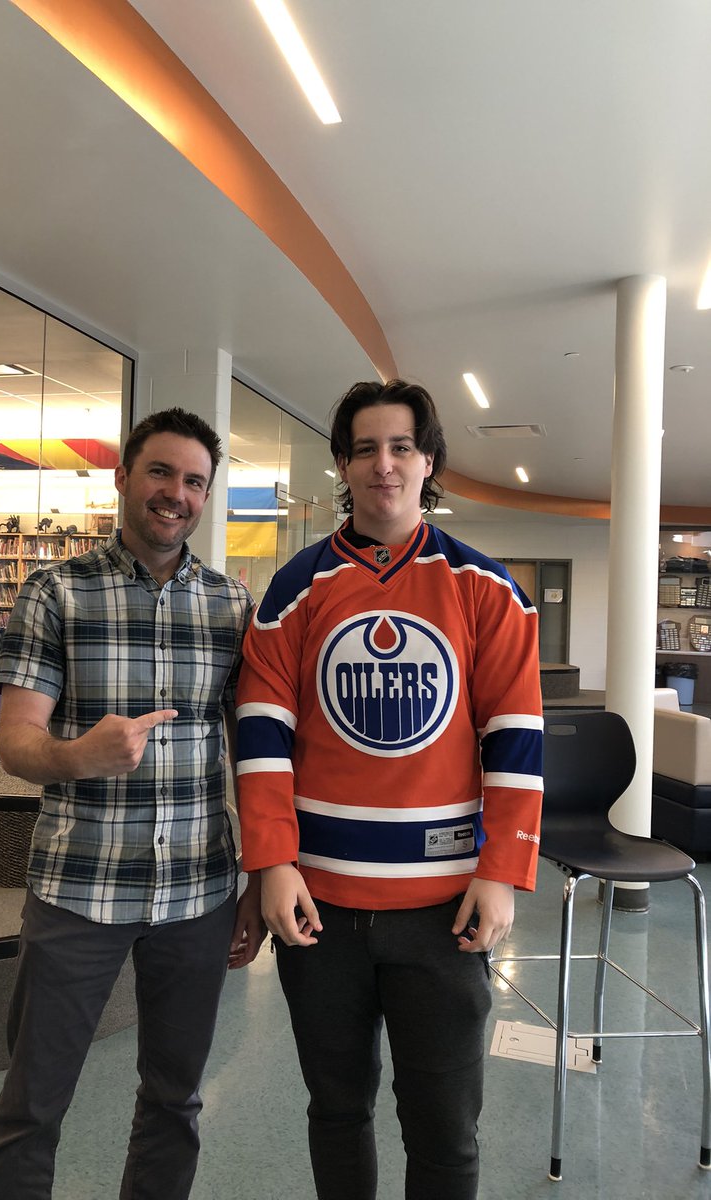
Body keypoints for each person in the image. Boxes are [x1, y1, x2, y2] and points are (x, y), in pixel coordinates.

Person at [235, 379, 543, 1199]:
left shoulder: (486, 588)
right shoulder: (293, 590)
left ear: (428, 459)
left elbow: (515, 736)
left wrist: (501, 870)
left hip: (444, 910)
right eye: (366, 448)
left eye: (401, 446)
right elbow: (262, 732)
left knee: (444, 1128)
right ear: (342, 463)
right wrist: (272, 862)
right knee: (336, 1111)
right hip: (320, 909)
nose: (384, 464)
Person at [0, 407, 264, 1200]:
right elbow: (15, 742)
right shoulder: (54, 592)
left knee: (175, 1101)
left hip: (198, 895)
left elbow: (254, 754)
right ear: (124, 477)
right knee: (32, 1107)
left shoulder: (231, 607)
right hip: (79, 891)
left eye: (195, 481)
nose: (177, 493)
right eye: (161, 473)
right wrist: (79, 756)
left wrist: (260, 877)